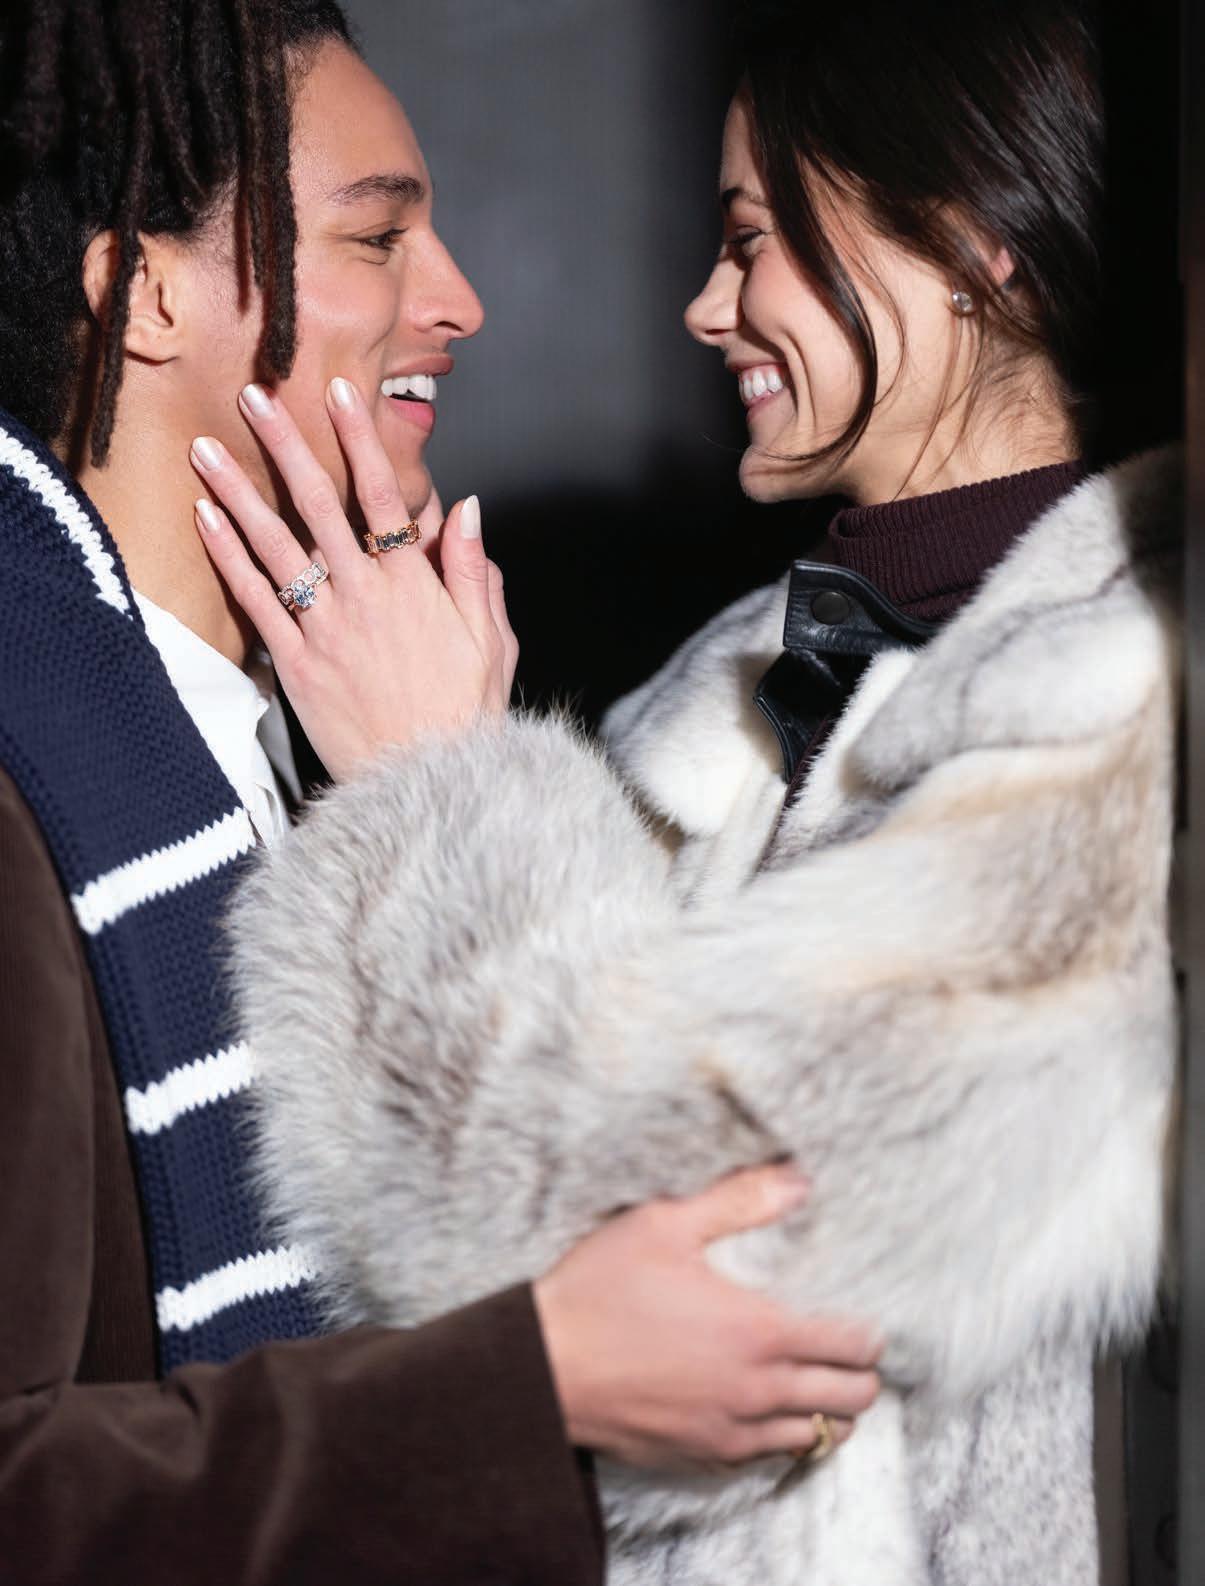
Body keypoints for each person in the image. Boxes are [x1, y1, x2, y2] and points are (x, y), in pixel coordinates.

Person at [193, 1, 1180, 1583]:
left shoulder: (1114, 705)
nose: (705, 308)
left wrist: (439, 775)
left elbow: (684, 1297)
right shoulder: (751, 686)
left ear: (971, 245)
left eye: (749, 242)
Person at [0, 3, 885, 1582]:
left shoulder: (283, 752)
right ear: (144, 294)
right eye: (376, 237)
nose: (458, 298)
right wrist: (522, 1388)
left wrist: (444, 787)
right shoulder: (25, 792)